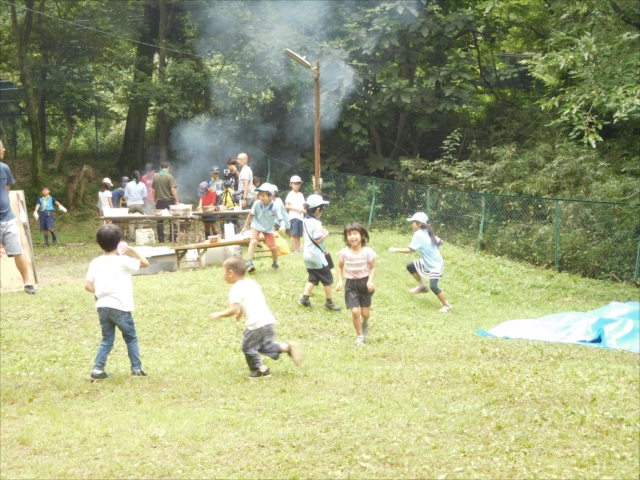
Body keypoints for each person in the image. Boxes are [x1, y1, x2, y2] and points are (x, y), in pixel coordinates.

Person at [209, 257, 302, 378]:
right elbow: (250, 300)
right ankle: (287, 348)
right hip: (268, 322)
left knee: (248, 348)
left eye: (223, 271)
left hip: (256, 325)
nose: (223, 275)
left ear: (230, 273)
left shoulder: (236, 288)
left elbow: (233, 309)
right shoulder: (251, 282)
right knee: (265, 346)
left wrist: (219, 314)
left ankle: (261, 370)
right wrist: (241, 312)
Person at [85, 224, 150, 379]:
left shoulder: (95, 262)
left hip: (102, 306)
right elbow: (145, 263)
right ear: (120, 241)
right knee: (131, 338)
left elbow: (88, 286)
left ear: (98, 243)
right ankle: (136, 368)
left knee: (107, 340)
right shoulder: (123, 260)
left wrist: (100, 292)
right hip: (120, 307)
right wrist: (132, 250)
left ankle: (97, 370)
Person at [388, 212, 452, 312]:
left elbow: (410, 250)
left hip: (435, 264)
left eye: (413, 222)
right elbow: (441, 241)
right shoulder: (427, 230)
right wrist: (436, 250)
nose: (411, 224)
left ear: (420, 224)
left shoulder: (418, 234)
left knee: (434, 286)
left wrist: (395, 249)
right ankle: (421, 286)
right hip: (428, 261)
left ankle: (447, 305)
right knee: (411, 266)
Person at [0, 139, 36, 294]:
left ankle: (27, 283)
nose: (4, 149)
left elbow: (7, 190)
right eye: (1, 146)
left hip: (7, 218)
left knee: (18, 250)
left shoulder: (5, 168)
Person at [336, 223, 377, 345]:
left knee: (365, 313)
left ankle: (364, 322)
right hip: (351, 285)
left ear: (362, 236)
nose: (352, 237)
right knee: (355, 311)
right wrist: (340, 281)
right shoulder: (344, 252)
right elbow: (339, 267)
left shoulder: (367, 251)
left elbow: (373, 268)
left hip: (364, 283)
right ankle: (360, 336)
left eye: (355, 234)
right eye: (349, 235)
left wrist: (370, 281)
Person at [299, 194, 341, 311]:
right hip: (316, 257)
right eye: (322, 209)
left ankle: (305, 299)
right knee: (327, 279)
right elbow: (317, 238)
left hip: (308, 255)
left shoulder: (306, 220)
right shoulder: (316, 223)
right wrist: (327, 233)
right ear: (318, 209)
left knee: (313, 277)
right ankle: (329, 303)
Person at [241, 183, 285, 272]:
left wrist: (283, 225)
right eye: (259, 195)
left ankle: (275, 263)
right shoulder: (257, 204)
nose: (261, 197)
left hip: (268, 228)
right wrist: (245, 227)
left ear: (270, 196)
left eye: (263, 196)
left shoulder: (275, 206)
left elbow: (281, 218)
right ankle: (249, 263)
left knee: (273, 247)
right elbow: (250, 215)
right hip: (256, 225)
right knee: (253, 241)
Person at [152, 162, 180, 243]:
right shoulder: (169, 176)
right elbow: (173, 190)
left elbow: (153, 190)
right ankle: (172, 238)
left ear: (160, 168)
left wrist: (154, 201)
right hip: (169, 202)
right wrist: (177, 201)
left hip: (159, 202)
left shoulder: (155, 177)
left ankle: (161, 240)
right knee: (172, 220)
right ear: (168, 168)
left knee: (160, 221)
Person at [124, 170, 147, 241]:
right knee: (140, 221)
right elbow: (145, 196)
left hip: (131, 204)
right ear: (140, 176)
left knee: (131, 222)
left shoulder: (128, 184)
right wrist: (141, 200)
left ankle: (131, 238)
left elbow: (126, 196)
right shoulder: (142, 184)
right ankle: (140, 237)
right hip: (140, 204)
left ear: (132, 176)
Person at [285, 175, 305, 253]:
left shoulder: (301, 195)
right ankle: (294, 250)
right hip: (294, 217)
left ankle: (298, 249)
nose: (296, 185)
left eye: (298, 184)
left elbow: (303, 205)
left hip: (300, 217)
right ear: (291, 184)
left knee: (298, 234)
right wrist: (298, 209)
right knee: (294, 234)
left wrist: (304, 210)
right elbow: (287, 206)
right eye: (295, 184)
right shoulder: (290, 194)